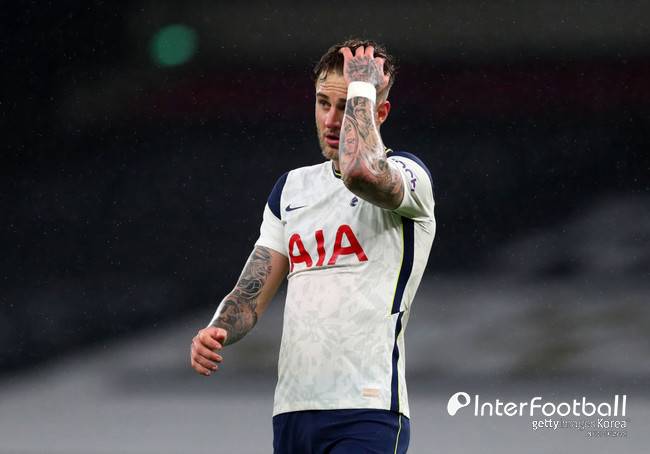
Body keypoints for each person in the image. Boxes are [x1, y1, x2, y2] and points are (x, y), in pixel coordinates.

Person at [190, 38, 435, 453]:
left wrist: (363, 86)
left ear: (379, 112)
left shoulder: (410, 178)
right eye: (324, 104)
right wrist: (217, 330)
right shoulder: (292, 188)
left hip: (367, 410)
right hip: (293, 412)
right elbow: (250, 294)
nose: (332, 120)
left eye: (347, 105)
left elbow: (360, 171)